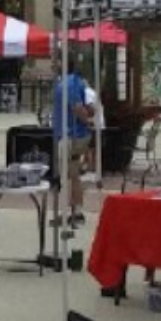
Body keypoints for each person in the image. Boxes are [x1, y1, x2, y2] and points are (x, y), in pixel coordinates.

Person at [52, 65, 93, 228]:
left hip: (71, 135)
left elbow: (77, 107)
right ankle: (74, 212)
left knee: (69, 175)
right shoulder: (73, 82)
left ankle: (73, 213)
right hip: (71, 134)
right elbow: (88, 107)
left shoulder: (69, 83)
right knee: (71, 175)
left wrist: (85, 120)